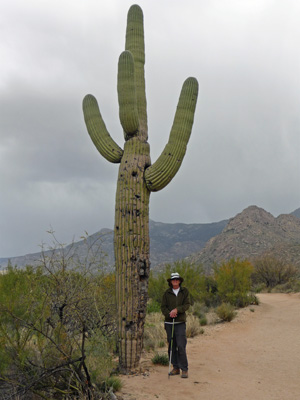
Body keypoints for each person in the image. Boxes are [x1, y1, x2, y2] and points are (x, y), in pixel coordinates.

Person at [161, 272, 191, 378]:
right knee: (171, 345)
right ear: (171, 282)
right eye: (173, 280)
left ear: (179, 281)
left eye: (177, 279)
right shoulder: (167, 293)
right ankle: (175, 367)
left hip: (180, 323)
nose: (175, 281)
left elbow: (187, 304)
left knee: (181, 345)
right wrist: (169, 314)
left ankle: (184, 369)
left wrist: (177, 310)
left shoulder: (184, 292)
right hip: (169, 323)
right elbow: (163, 307)